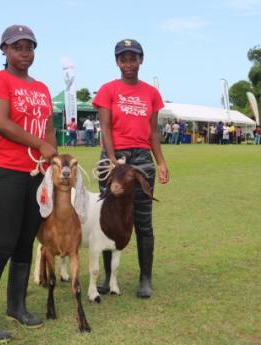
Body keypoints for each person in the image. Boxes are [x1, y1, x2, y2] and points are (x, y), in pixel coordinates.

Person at [0, 24, 58, 344]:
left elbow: (48, 128)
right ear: (4, 50)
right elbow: (1, 124)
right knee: (3, 244)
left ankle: (16, 307)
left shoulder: (43, 87)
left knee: (24, 243)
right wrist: (41, 145)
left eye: (29, 47)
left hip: (37, 175)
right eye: (17, 47)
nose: (24, 53)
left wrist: (53, 158)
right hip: (6, 173)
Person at [93, 38, 169, 299]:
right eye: (123, 59)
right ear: (117, 62)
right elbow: (105, 128)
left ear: (141, 60)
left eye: (133, 58)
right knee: (107, 221)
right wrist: (113, 159)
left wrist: (160, 161)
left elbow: (153, 132)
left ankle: (145, 279)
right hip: (113, 160)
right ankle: (106, 278)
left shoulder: (151, 94)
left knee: (143, 222)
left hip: (142, 160)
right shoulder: (107, 90)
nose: (128, 63)